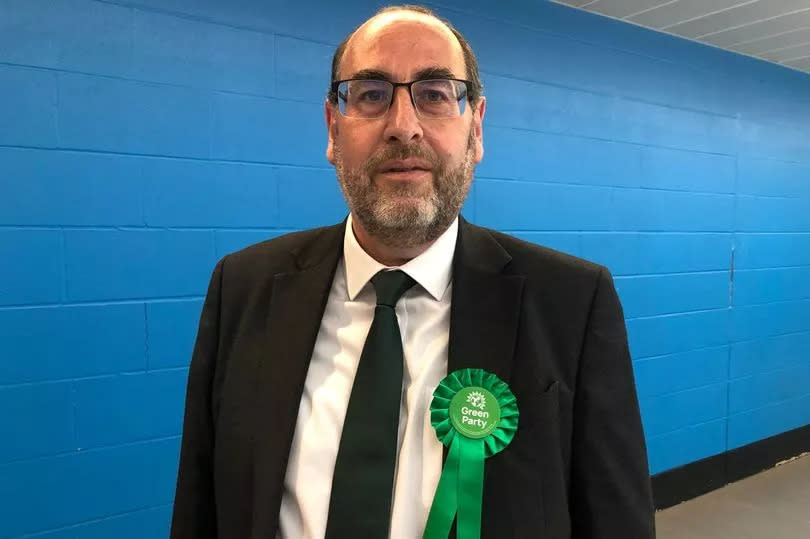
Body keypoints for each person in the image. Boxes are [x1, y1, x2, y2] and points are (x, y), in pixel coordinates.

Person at [170, 5, 655, 538]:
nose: (404, 127)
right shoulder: (242, 289)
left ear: (476, 128)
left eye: (435, 93)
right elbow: (200, 510)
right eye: (371, 94)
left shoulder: (572, 304)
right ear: (334, 128)